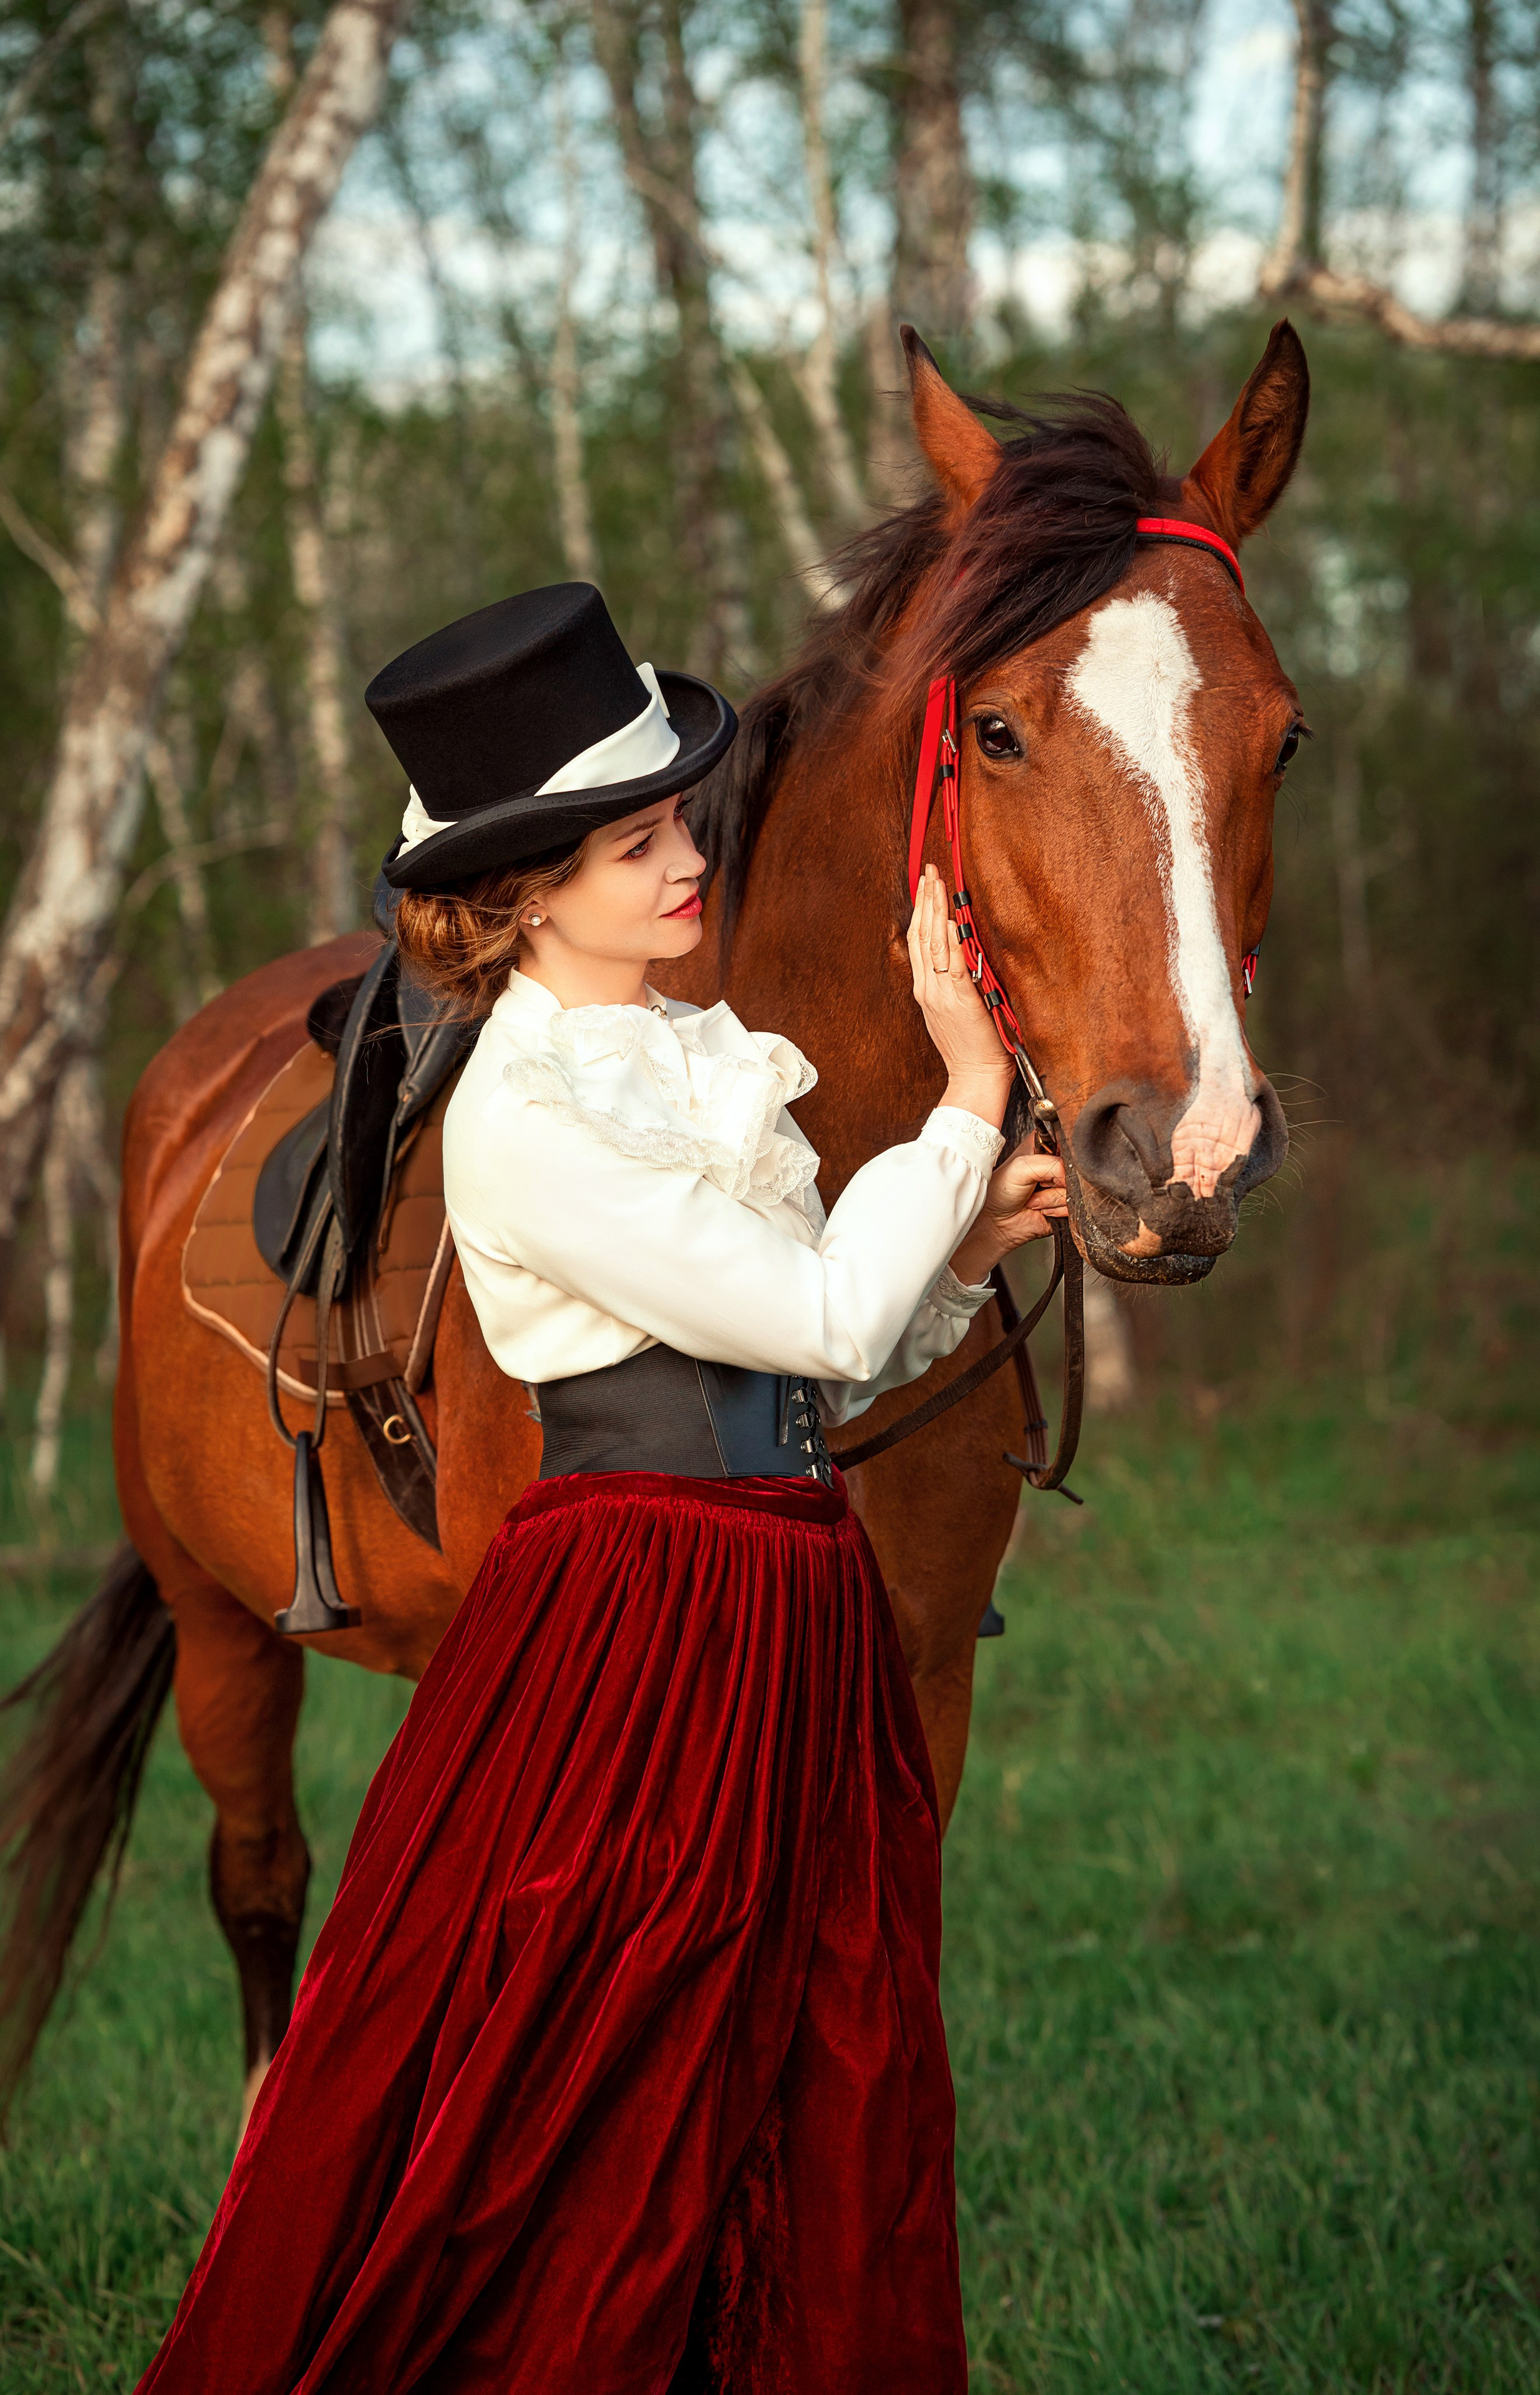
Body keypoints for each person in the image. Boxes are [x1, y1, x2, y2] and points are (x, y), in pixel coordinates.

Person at [135, 584, 1068, 2395]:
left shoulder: (686, 1063)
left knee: (804, 2041)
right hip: (650, 1612)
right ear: (527, 890)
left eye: (674, 818)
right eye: (635, 839)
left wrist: (966, 1248)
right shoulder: (526, 1115)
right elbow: (812, 1306)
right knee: (592, 2071)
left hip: (783, 1587)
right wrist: (963, 1112)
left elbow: (827, 1362)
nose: (683, 857)